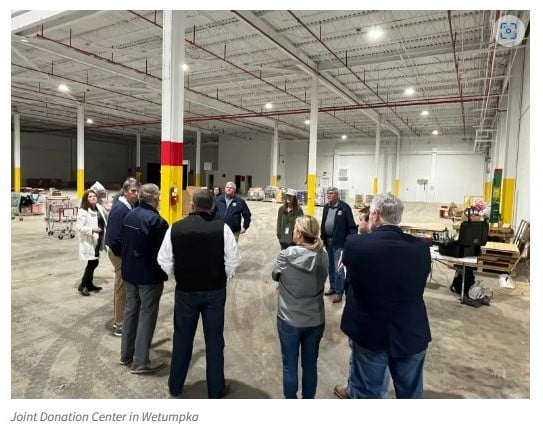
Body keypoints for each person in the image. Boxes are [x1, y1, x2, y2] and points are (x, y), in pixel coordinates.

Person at [334, 192, 431, 399]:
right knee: (411, 395)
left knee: (367, 393)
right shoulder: (421, 248)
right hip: (410, 333)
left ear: (376, 215)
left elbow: (349, 283)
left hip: (370, 334)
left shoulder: (356, 244)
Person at [158, 189, 240, 398]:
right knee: (214, 341)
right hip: (214, 291)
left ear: (192, 205)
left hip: (186, 291)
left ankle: (176, 386)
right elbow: (233, 260)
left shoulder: (175, 228)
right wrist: (222, 277)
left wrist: (179, 277)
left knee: (182, 339)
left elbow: (164, 260)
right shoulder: (222, 228)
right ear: (212, 206)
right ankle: (216, 389)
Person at [272, 215, 328, 399]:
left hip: (289, 319)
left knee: (289, 366)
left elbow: (275, 275)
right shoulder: (323, 255)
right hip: (315, 319)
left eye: (295, 229)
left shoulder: (285, 255)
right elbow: (324, 277)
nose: (293, 232)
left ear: (301, 234)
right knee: (310, 365)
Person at [119, 183, 169, 374]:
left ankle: (126, 355)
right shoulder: (157, 222)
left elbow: (120, 242)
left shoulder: (129, 215)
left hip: (129, 273)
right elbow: (164, 253)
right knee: (147, 315)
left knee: (131, 311)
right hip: (149, 276)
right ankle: (140, 362)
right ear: (155, 198)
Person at [105, 177, 140, 336]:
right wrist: (125, 256)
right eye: (133, 191)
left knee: (124, 287)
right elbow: (114, 238)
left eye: (138, 191)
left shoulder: (129, 206)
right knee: (121, 287)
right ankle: (119, 324)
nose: (136, 194)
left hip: (121, 251)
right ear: (125, 191)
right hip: (117, 253)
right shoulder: (120, 209)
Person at [320, 186, 357, 303]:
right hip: (328, 242)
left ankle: (339, 292)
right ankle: (332, 287)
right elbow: (323, 222)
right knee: (330, 266)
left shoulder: (344, 208)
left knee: (338, 268)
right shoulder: (326, 207)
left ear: (337, 195)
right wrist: (322, 236)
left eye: (331, 193)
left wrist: (351, 241)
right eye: (328, 193)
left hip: (339, 243)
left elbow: (352, 226)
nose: (328, 195)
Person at [75, 189, 107, 296]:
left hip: (98, 239)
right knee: (92, 262)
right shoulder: (83, 211)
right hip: (89, 241)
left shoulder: (98, 208)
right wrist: (92, 229)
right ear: (86, 199)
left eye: (94, 196)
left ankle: (89, 284)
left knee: (94, 262)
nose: (93, 197)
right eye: (90, 196)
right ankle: (83, 285)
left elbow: (104, 218)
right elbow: (78, 227)